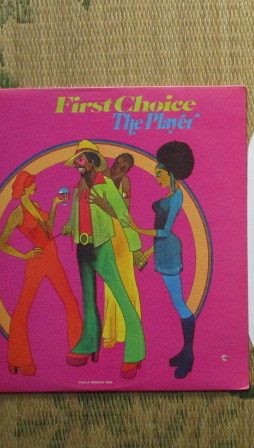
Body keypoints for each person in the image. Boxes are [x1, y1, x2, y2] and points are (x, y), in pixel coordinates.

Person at [62, 140, 147, 379]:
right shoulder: (78, 188)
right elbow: (75, 214)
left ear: (92, 161)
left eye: (80, 160)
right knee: (88, 300)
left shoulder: (107, 185)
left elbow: (124, 216)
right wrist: (69, 226)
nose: (77, 165)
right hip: (83, 247)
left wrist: (136, 250)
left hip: (103, 248)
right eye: (75, 162)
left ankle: (136, 349)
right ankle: (89, 343)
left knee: (122, 297)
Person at [0, 170, 82, 376]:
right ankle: (19, 359)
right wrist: (24, 255)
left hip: (53, 260)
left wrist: (54, 205)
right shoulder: (17, 213)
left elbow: (49, 229)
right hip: (37, 262)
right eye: (32, 183)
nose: (35, 185)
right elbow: (1, 243)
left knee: (70, 301)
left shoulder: (35, 206)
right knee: (22, 308)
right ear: (24, 188)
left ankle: (79, 349)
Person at [124, 141, 196, 379]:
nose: (156, 178)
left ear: (170, 173)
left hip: (169, 250)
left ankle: (189, 355)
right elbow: (160, 234)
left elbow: (164, 232)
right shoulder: (170, 194)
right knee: (177, 303)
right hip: (162, 249)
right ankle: (185, 352)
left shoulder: (176, 198)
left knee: (180, 303)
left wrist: (137, 228)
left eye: (159, 174)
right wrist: (146, 253)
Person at [93, 153, 142, 349]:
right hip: (104, 235)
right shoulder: (100, 174)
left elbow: (124, 215)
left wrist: (104, 206)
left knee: (127, 283)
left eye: (122, 168)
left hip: (121, 236)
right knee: (110, 285)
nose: (116, 169)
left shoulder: (125, 183)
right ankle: (111, 334)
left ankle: (130, 332)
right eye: (116, 164)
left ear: (127, 171)